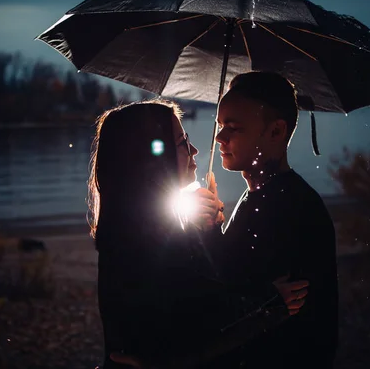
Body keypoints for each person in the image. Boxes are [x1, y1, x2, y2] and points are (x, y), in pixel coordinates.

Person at [111, 72, 339, 368]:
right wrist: (210, 229)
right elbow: (229, 283)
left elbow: (238, 305)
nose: (219, 137)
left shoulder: (293, 207)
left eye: (233, 128)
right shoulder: (259, 196)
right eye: (220, 125)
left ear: (275, 132)